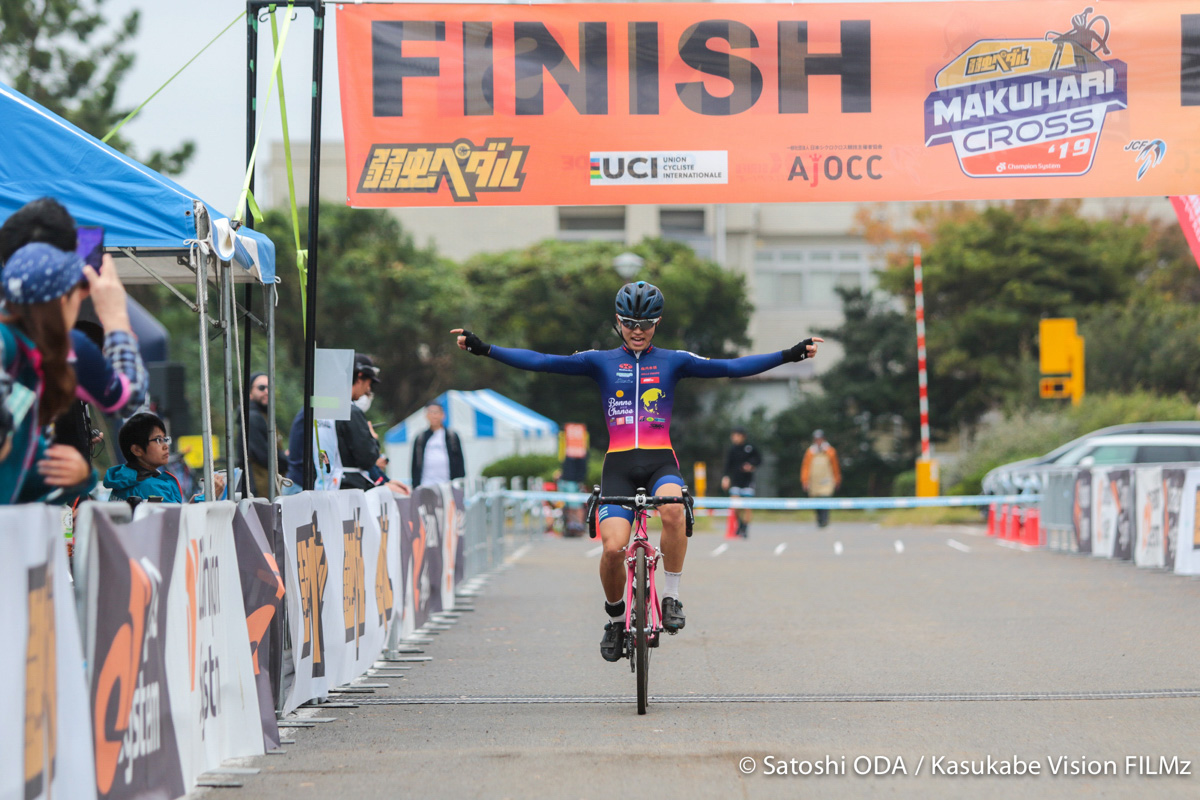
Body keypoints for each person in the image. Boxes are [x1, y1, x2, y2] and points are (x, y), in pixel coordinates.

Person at [452, 280, 822, 662]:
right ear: (618, 321)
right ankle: (615, 619)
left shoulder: (674, 360)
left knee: (675, 510)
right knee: (613, 549)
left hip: (661, 461)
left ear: (658, 322)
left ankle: (672, 597)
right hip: (619, 465)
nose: (638, 331)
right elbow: (544, 362)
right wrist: (485, 349)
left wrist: (790, 355)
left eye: (646, 323)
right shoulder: (599, 361)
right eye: (630, 323)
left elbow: (731, 367)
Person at [104, 411, 223, 503]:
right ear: (137, 450)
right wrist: (207, 497)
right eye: (157, 440)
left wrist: (196, 500)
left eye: (165, 439)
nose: (166, 446)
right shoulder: (151, 487)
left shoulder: (125, 479)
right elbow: (177, 527)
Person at [337, 354, 383, 491]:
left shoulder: (325, 408)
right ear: (360, 377)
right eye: (369, 383)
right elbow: (366, 458)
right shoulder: (352, 412)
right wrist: (373, 440)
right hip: (348, 487)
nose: (368, 390)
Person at [244, 371, 285, 495]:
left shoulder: (264, 415)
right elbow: (264, 455)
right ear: (250, 393)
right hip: (259, 488)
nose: (266, 391)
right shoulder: (252, 417)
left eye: (270, 387)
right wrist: (288, 460)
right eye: (261, 388)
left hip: (267, 485)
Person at [410, 402, 465, 487]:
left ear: (443, 415)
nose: (434, 415)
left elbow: (460, 461)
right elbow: (415, 464)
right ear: (426, 416)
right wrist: (415, 485)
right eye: (431, 412)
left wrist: (459, 484)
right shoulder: (420, 438)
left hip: (448, 485)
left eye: (436, 412)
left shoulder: (451, 436)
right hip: (426, 484)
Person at [721, 426, 762, 538]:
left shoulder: (750, 447)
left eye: (737, 435)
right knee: (735, 505)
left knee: (747, 506)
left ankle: (745, 527)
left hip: (747, 481)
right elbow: (727, 465)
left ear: (743, 436)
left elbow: (759, 459)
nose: (734, 438)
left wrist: (751, 465)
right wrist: (725, 477)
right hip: (736, 481)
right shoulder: (732, 449)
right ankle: (739, 525)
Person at [801, 429, 841, 527]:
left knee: (825, 499)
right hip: (814, 481)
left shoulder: (830, 451)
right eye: (816, 439)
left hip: (827, 480)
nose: (818, 441)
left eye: (820, 439)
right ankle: (819, 518)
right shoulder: (810, 452)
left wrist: (837, 479)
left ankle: (825, 519)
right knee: (816, 501)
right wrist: (805, 480)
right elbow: (805, 467)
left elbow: (835, 466)